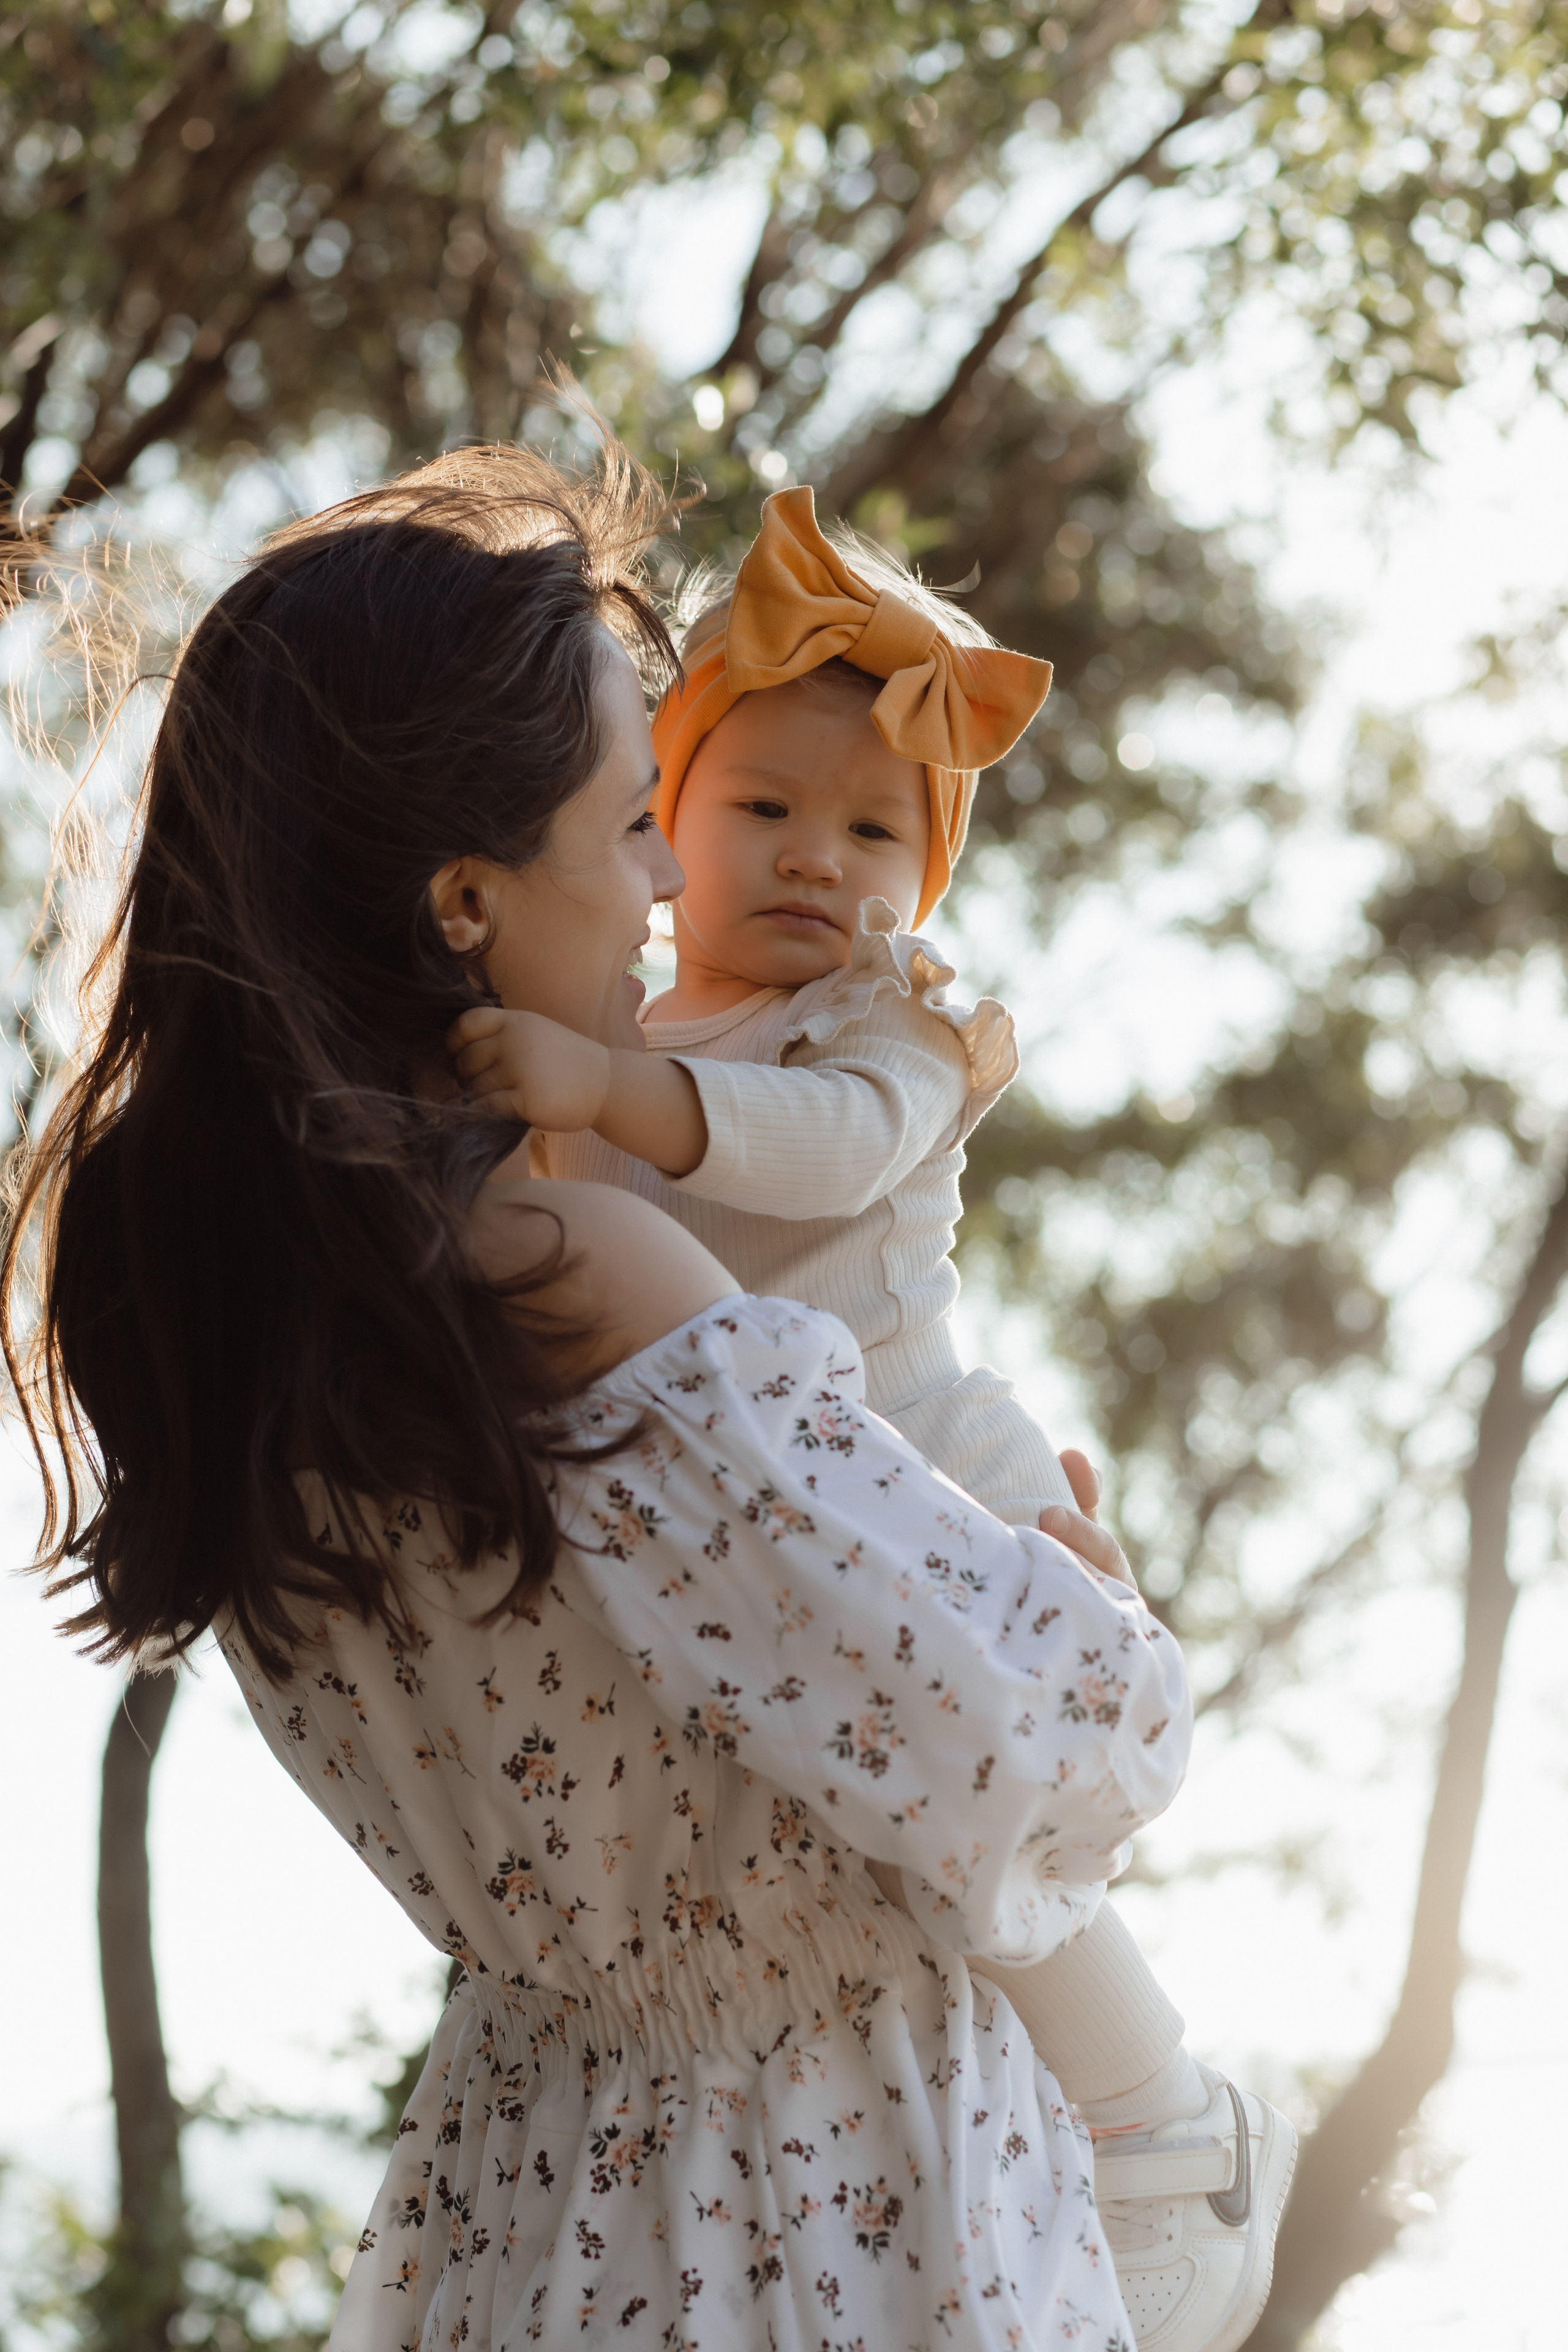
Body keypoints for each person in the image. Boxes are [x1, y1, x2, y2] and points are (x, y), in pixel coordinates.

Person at [7, 442, 1193, 2352]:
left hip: (531, 2194)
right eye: (635, 820)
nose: (666, 881)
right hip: (834, 2214)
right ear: (466, 899)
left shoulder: (230, 1311)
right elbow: (1063, 1754)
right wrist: (1097, 1607)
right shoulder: (583, 1280)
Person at [448, 487, 1297, 2352]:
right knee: (853, 1827)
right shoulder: (636, 1033)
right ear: (663, 821)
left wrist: (601, 1085)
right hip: (749, 1503)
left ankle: (1163, 2127)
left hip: (925, 1461)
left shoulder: (893, 1025)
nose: (820, 861)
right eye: (767, 808)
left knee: (975, 1816)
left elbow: (822, 1154)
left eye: (876, 829)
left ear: (928, 877)